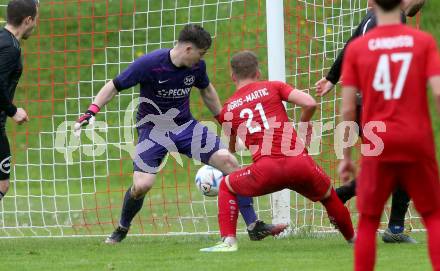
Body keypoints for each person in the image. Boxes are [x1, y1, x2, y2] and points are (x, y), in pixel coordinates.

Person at [74, 24, 287, 243]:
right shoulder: (149, 64)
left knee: (229, 162)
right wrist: (91, 111)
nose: (200, 59)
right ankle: (122, 227)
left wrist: (225, 123)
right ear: (187, 49)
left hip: (186, 127)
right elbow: (114, 86)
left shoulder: (196, 68)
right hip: (153, 131)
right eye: (200, 53)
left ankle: (254, 225)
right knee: (142, 186)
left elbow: (207, 91)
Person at [200, 51, 355, 252]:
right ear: (258, 72)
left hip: (267, 170)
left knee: (227, 186)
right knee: (328, 196)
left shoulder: (228, 108)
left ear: (232, 76)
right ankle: (354, 239)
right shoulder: (273, 86)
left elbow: (230, 149)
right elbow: (309, 102)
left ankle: (228, 242)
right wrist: (303, 126)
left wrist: (244, 141)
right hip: (299, 163)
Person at [339, 0, 440, 269]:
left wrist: (346, 156)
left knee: (369, 221)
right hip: (416, 139)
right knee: (433, 217)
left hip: (377, 139)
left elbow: (348, 107)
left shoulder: (358, 48)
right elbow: (439, 92)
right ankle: (397, 228)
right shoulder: (423, 41)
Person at [315, 0, 425, 243]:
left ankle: (343, 198)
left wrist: (331, 78)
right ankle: (387, 225)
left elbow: (350, 48)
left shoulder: (375, 18)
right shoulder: (385, 20)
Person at [0, 0, 38, 201]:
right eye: (36, 19)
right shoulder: (10, 48)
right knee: (2, 184)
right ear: (28, 20)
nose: (36, 25)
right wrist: (13, 111)